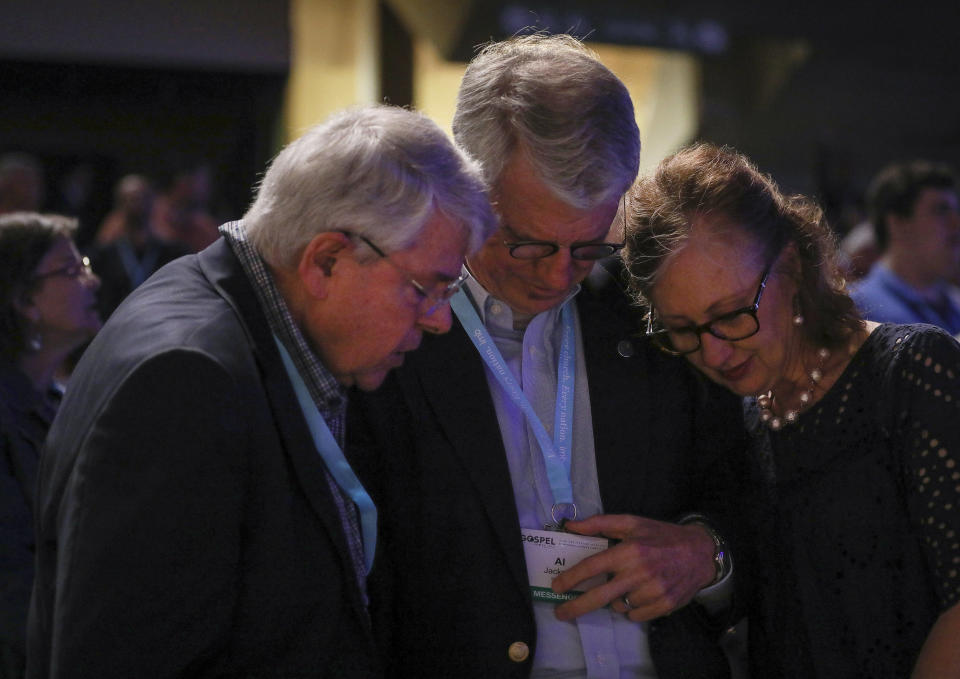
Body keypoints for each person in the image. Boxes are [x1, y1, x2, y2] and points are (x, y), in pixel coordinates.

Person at [26, 105, 496, 679]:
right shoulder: (185, 381)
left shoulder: (248, 318)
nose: (438, 320)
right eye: (427, 288)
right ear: (326, 261)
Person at [349, 35, 749, 679]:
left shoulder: (650, 308)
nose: (559, 275)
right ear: (464, 183)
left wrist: (707, 553)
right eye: (528, 243)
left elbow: (748, 484)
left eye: (588, 245)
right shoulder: (391, 329)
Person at [621, 142, 960, 678]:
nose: (714, 352)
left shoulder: (911, 370)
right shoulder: (739, 415)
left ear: (793, 266)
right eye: (682, 330)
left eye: (731, 314)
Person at [0, 213, 101, 679]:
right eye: (71, 270)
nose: (92, 280)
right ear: (24, 301)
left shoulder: (60, 397)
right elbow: (13, 581)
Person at [849, 159, 960, 333]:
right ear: (898, 224)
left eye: (956, 211)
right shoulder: (856, 312)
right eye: (941, 210)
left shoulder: (955, 306)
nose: (956, 224)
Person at [88, 174, 189, 319]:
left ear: (152, 202)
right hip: (116, 326)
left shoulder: (172, 253)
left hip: (159, 324)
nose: (135, 204)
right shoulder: (103, 256)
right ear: (118, 205)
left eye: (141, 198)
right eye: (128, 199)